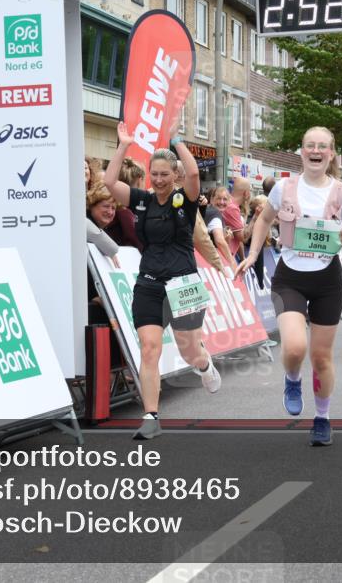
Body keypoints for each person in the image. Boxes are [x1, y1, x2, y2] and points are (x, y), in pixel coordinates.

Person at [234, 127, 342, 447]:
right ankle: (292, 379)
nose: (316, 151)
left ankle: (322, 418)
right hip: (289, 278)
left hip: (327, 280)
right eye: (310, 146)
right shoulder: (284, 188)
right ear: (302, 151)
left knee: (322, 357)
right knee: (294, 347)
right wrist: (253, 254)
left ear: (331, 154)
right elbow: (265, 220)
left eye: (322, 147)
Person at [104, 120, 221, 441]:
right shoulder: (140, 199)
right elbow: (109, 182)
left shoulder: (184, 199)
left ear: (175, 175)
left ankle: (204, 365)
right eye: (153, 174)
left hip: (184, 285)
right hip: (149, 284)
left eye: (164, 174)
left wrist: (176, 139)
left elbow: (196, 174)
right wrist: (123, 145)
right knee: (150, 349)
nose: (158, 180)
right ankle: (151, 416)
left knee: (188, 351)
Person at [204, 186, 239, 269]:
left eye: (225, 199)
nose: (221, 202)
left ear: (230, 201)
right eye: (218, 198)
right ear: (212, 200)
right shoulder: (215, 213)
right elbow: (219, 241)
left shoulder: (210, 211)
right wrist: (232, 263)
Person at [225, 177, 251, 260]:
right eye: (250, 191)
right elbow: (243, 238)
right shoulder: (232, 207)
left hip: (227, 255)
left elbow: (238, 238)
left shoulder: (232, 205)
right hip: (226, 257)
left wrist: (243, 258)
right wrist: (255, 218)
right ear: (246, 193)